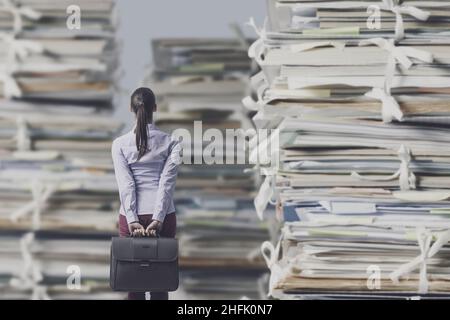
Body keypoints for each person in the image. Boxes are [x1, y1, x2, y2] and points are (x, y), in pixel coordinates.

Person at [111, 87, 181, 300]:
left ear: (131, 109)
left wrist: (132, 218)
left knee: (134, 282)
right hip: (163, 216)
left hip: (131, 217)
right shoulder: (173, 143)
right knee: (161, 281)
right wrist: (158, 218)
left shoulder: (119, 144)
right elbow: (165, 184)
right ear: (155, 109)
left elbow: (126, 184)